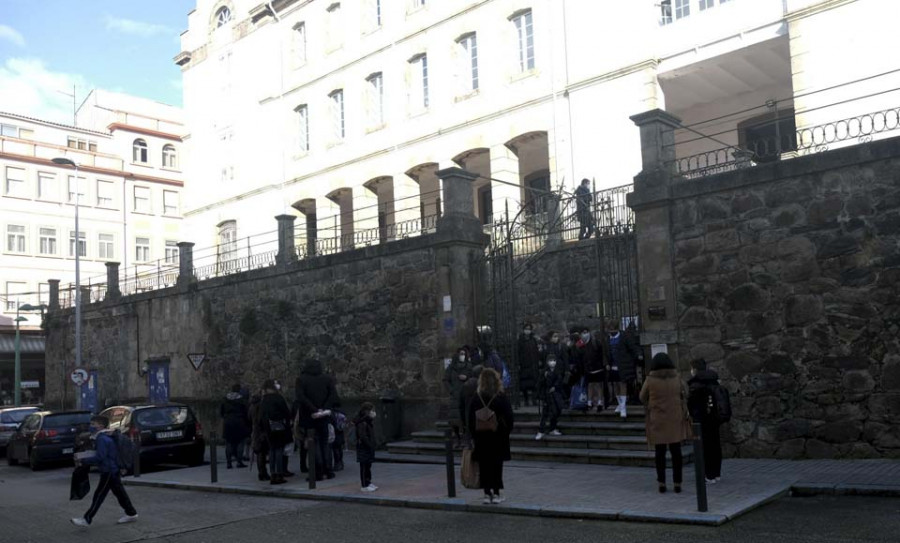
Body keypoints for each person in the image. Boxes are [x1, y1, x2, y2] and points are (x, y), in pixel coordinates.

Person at [70, 416, 138, 527]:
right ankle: (131, 513)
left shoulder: (101, 438)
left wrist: (83, 460)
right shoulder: (107, 436)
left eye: (93, 424)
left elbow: (100, 457)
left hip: (108, 470)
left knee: (99, 495)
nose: (91, 426)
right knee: (120, 493)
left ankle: (87, 519)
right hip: (112, 469)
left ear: (100, 426)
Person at [640, 353, 692, 494]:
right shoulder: (677, 378)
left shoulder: (650, 380)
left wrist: (651, 404)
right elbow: (686, 393)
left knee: (660, 453)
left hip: (658, 418)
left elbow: (641, 396)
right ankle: (677, 483)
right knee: (676, 452)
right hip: (675, 418)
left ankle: (661, 483)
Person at [467, 368, 514, 504]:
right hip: (498, 436)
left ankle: (487, 493)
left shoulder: (477, 397)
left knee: (484, 465)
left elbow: (470, 418)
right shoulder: (500, 396)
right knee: (497, 465)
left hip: (481, 437)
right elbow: (509, 416)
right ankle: (498, 492)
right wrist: (506, 431)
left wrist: (473, 434)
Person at [295, 358, 339, 481]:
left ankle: (317, 472)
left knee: (313, 445)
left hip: (309, 417)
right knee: (325, 443)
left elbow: (301, 397)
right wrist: (324, 409)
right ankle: (328, 470)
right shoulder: (327, 379)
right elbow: (333, 396)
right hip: (324, 416)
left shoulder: (301, 379)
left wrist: (314, 409)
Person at [688, 358, 723, 484]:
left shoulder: (696, 383)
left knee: (705, 447)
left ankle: (708, 475)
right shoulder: (714, 380)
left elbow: (692, 403)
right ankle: (716, 473)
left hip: (701, 419)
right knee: (715, 445)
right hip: (714, 417)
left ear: (695, 369)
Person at [604, 321, 644, 418]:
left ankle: (623, 407)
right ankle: (620, 403)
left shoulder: (624, 337)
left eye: (612, 329)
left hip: (623, 365)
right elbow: (605, 353)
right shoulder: (607, 339)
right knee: (616, 385)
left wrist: (639, 354)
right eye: (609, 329)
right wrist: (606, 363)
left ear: (617, 329)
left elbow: (633, 347)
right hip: (612, 366)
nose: (611, 331)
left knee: (623, 385)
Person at [260, 379, 292, 485]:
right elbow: (286, 413)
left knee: (272, 450)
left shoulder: (264, 399)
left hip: (268, 428)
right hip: (279, 427)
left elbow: (262, 415)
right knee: (279, 450)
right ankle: (279, 473)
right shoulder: (278, 398)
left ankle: (273, 473)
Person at [444, 347, 473, 447]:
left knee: (466, 418)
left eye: (464, 354)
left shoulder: (469, 366)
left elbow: (473, 378)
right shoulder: (451, 368)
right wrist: (451, 390)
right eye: (461, 354)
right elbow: (446, 380)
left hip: (465, 395)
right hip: (455, 396)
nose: (462, 356)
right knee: (454, 420)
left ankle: (466, 438)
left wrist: (467, 378)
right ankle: (457, 438)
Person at [220, 383, 250, 469]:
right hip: (239, 422)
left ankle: (229, 463)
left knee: (228, 443)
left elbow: (221, 412)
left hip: (228, 422)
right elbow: (246, 412)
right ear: (239, 390)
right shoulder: (242, 400)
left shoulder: (225, 399)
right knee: (241, 442)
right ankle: (239, 462)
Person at [535, 354, 565, 440]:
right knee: (545, 413)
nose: (552, 362)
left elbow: (560, 381)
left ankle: (553, 428)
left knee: (555, 412)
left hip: (555, 395)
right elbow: (540, 383)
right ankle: (541, 431)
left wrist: (555, 387)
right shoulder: (544, 371)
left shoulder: (557, 371)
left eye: (554, 360)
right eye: (551, 360)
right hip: (547, 395)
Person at [577, 326, 605, 411]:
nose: (584, 334)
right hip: (588, 369)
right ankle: (589, 402)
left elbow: (601, 354)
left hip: (598, 367)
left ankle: (600, 402)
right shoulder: (580, 344)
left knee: (598, 385)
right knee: (590, 385)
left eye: (586, 332)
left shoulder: (595, 342)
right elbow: (580, 356)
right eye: (582, 333)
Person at [354, 402, 377, 492]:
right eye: (372, 410)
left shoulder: (368, 421)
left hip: (367, 447)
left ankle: (368, 482)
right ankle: (364, 485)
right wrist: (369, 444)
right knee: (364, 466)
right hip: (363, 447)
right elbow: (363, 435)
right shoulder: (362, 422)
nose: (373, 412)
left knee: (368, 466)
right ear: (366, 411)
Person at [516, 323, 541, 406]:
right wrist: (519, 363)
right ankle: (526, 400)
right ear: (524, 330)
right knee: (524, 384)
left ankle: (534, 400)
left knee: (534, 383)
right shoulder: (520, 340)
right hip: (524, 365)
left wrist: (537, 360)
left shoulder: (533, 340)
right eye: (526, 328)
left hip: (533, 364)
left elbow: (536, 351)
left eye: (529, 329)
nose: (528, 330)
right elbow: (518, 353)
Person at [459, 364, 484, 444]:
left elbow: (461, 406)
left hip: (469, 418)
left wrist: (464, 421)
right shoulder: (483, 385)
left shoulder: (465, 385)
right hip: (482, 418)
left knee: (470, 443)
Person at [248, 390, 269, 481]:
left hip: (255, 431)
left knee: (259, 452)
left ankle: (261, 472)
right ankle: (262, 472)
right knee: (262, 453)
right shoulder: (260, 407)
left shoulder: (251, 407)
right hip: (260, 432)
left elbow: (248, 419)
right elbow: (262, 420)